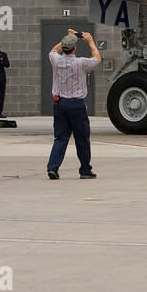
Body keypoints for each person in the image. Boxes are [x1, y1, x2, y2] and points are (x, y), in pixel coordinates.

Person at [46, 30, 99, 180]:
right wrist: (90, 41)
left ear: (64, 48)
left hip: (60, 104)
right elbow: (97, 58)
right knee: (82, 138)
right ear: (74, 48)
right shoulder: (81, 62)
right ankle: (85, 169)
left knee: (61, 138)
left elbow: (54, 50)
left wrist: (71, 36)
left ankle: (53, 167)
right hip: (77, 105)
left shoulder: (55, 60)